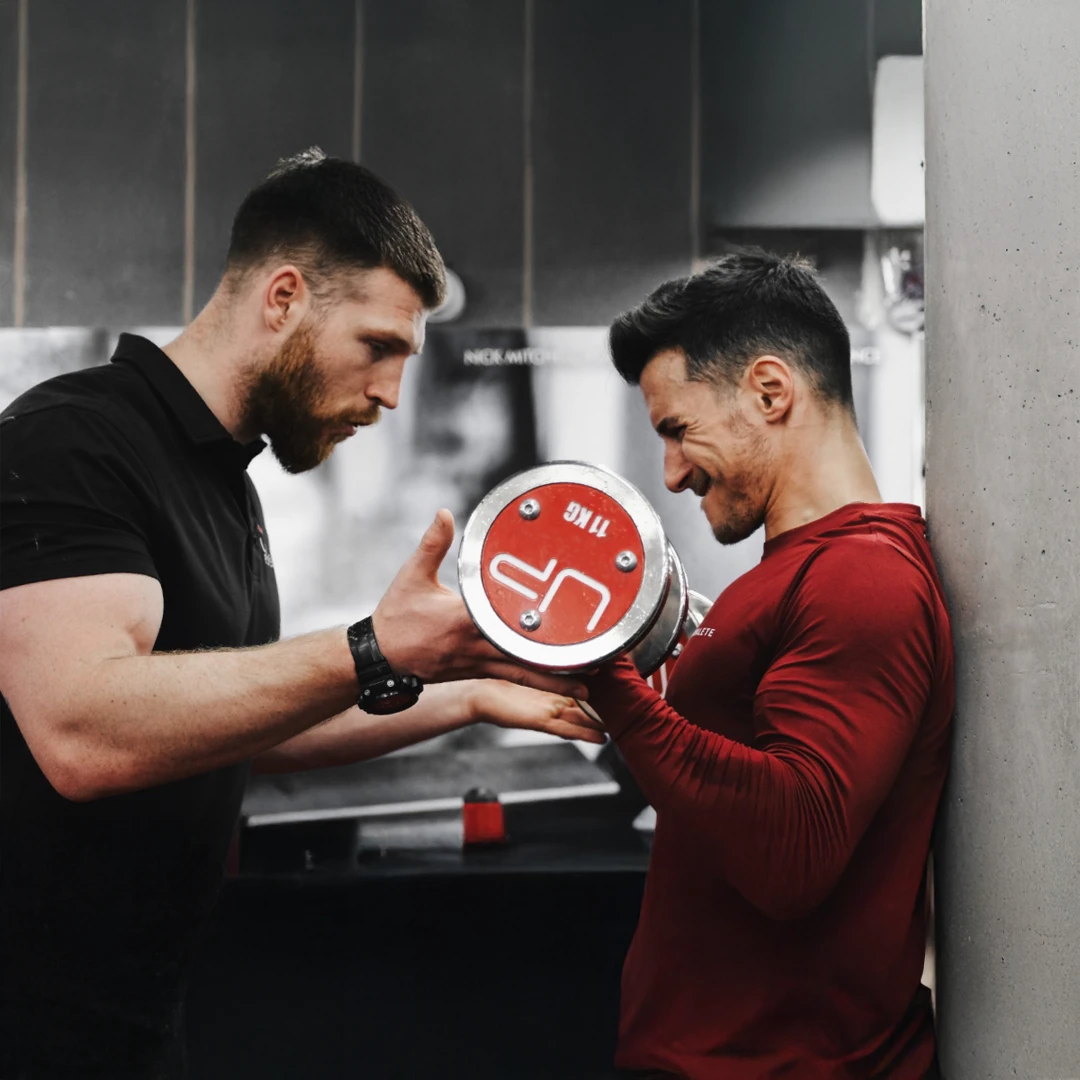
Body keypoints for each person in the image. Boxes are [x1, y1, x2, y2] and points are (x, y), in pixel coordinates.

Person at [0, 149, 600, 1079]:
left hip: (137, 1015)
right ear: (282, 297)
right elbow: (83, 733)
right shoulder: (72, 440)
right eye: (378, 346)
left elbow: (237, 724)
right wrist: (370, 645)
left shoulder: (226, 482)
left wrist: (473, 688)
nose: (392, 394)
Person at [588, 251, 952, 1080]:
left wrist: (609, 683)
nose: (672, 472)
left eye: (678, 430)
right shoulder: (797, 572)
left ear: (769, 390)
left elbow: (794, 849)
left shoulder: (864, 577)